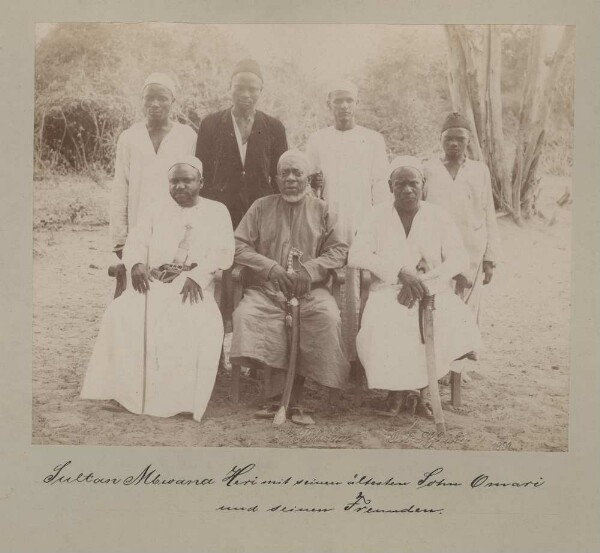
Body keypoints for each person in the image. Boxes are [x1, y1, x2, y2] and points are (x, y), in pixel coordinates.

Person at [81, 156, 235, 421]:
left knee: (191, 321)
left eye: (187, 180)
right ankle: (125, 393)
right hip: (152, 285)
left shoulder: (217, 210)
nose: (180, 186)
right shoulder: (155, 209)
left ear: (201, 182)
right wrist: (137, 263)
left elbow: (223, 251)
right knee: (120, 314)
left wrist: (198, 276)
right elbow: (136, 241)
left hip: (193, 287)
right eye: (174, 181)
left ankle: (179, 401)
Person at [348, 156, 480, 416]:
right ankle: (396, 393)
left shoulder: (438, 215)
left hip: (432, 289)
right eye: (400, 184)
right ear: (390, 186)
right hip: (389, 289)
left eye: (413, 183)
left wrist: (425, 282)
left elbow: (459, 257)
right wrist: (400, 272)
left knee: (448, 320)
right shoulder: (376, 215)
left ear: (423, 184)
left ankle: (423, 391)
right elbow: (357, 255)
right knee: (386, 321)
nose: (407, 190)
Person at [230, 150, 350, 425]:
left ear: (309, 179)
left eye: (298, 173)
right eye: (285, 173)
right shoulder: (261, 206)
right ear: (276, 179)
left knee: (326, 318)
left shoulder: (323, 209)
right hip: (267, 290)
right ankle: (276, 397)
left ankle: (300, 397)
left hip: (311, 291)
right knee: (246, 315)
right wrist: (269, 267)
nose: (291, 179)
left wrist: (311, 269)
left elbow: (340, 250)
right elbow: (237, 245)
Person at [195, 59, 288, 333]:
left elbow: (279, 174)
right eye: (239, 88)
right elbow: (201, 170)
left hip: (260, 214)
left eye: (252, 88)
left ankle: (253, 342)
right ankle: (218, 338)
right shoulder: (211, 124)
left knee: (256, 276)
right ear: (230, 88)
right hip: (220, 212)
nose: (246, 94)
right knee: (220, 274)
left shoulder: (273, 127)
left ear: (261, 91)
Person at [305, 79, 389, 377]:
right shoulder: (317, 139)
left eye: (348, 100)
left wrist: (379, 225)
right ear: (329, 104)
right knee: (330, 287)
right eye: (337, 100)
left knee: (359, 287)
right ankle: (331, 359)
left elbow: (380, 186)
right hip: (329, 221)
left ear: (357, 102)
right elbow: (311, 186)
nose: (343, 106)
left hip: (362, 220)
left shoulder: (372, 139)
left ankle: (358, 359)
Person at [423, 112, 500, 331]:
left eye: (460, 139)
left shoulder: (480, 171)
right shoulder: (428, 169)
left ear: (469, 142)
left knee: (467, 304)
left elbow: (489, 215)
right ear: (440, 140)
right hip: (435, 251)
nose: (454, 144)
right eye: (449, 139)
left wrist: (490, 258)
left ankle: (460, 360)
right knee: (438, 303)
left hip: (471, 251)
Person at [110, 73, 197, 259]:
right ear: (142, 101)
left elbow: (194, 188)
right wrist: (119, 238)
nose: (155, 104)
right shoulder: (129, 138)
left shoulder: (186, 136)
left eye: (162, 98)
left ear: (173, 101)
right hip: (138, 225)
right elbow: (120, 188)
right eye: (149, 98)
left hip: (175, 227)